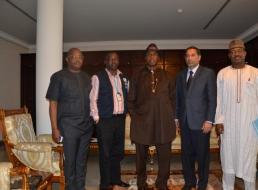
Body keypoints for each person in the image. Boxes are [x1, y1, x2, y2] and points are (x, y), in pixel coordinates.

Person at [215, 39, 258, 190]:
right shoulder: (222, 74)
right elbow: (219, 99)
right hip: (229, 124)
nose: (236, 53)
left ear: (245, 53)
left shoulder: (255, 72)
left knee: (249, 159)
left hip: (249, 125)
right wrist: (218, 121)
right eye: (233, 51)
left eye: (239, 50)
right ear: (229, 55)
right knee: (228, 158)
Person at [128, 45, 176, 190]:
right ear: (145, 58)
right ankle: (141, 184)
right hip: (143, 123)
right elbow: (130, 100)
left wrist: (170, 117)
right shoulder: (137, 75)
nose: (152, 57)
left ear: (158, 58)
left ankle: (162, 183)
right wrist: (136, 117)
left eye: (154, 55)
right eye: (149, 55)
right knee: (140, 158)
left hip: (163, 122)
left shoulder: (168, 76)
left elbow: (174, 99)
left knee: (165, 157)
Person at [46, 48, 94, 190]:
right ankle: (70, 187)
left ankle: (81, 186)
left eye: (80, 57)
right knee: (71, 160)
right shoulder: (58, 77)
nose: (77, 59)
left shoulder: (87, 77)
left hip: (87, 125)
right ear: (67, 59)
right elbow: (53, 103)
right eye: (74, 56)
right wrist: (54, 128)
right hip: (68, 126)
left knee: (82, 160)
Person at [175, 46, 217, 190]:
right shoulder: (180, 75)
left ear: (199, 57)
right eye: (187, 55)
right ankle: (189, 182)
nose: (189, 58)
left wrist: (209, 120)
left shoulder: (208, 73)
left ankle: (203, 184)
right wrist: (176, 119)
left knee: (202, 156)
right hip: (185, 122)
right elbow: (178, 99)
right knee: (186, 156)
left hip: (201, 123)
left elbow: (212, 99)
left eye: (192, 55)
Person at [90, 52, 129, 190]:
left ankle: (116, 180)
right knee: (105, 153)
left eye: (116, 59)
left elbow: (126, 95)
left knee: (117, 152)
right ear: (106, 62)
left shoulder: (123, 77)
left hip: (120, 119)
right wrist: (97, 119)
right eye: (111, 59)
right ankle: (105, 184)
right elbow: (93, 99)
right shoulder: (98, 77)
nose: (114, 61)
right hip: (105, 120)